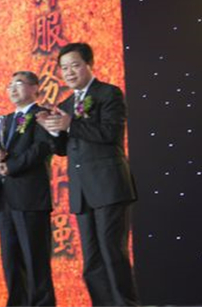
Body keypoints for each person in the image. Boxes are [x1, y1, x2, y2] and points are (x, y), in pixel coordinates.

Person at [38, 43, 138, 306]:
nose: (69, 72)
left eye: (75, 65)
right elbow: (62, 150)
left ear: (89, 65)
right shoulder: (66, 103)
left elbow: (110, 133)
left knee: (113, 254)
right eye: (64, 68)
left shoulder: (108, 93)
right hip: (82, 191)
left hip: (109, 187)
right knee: (92, 261)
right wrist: (53, 130)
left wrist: (70, 124)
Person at [0, 71, 56, 306]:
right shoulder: (4, 120)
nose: (12, 89)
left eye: (18, 84)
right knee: (11, 260)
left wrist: (11, 166)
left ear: (35, 88)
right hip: (5, 198)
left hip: (30, 197)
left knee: (35, 259)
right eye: (9, 85)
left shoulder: (42, 115)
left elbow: (41, 148)